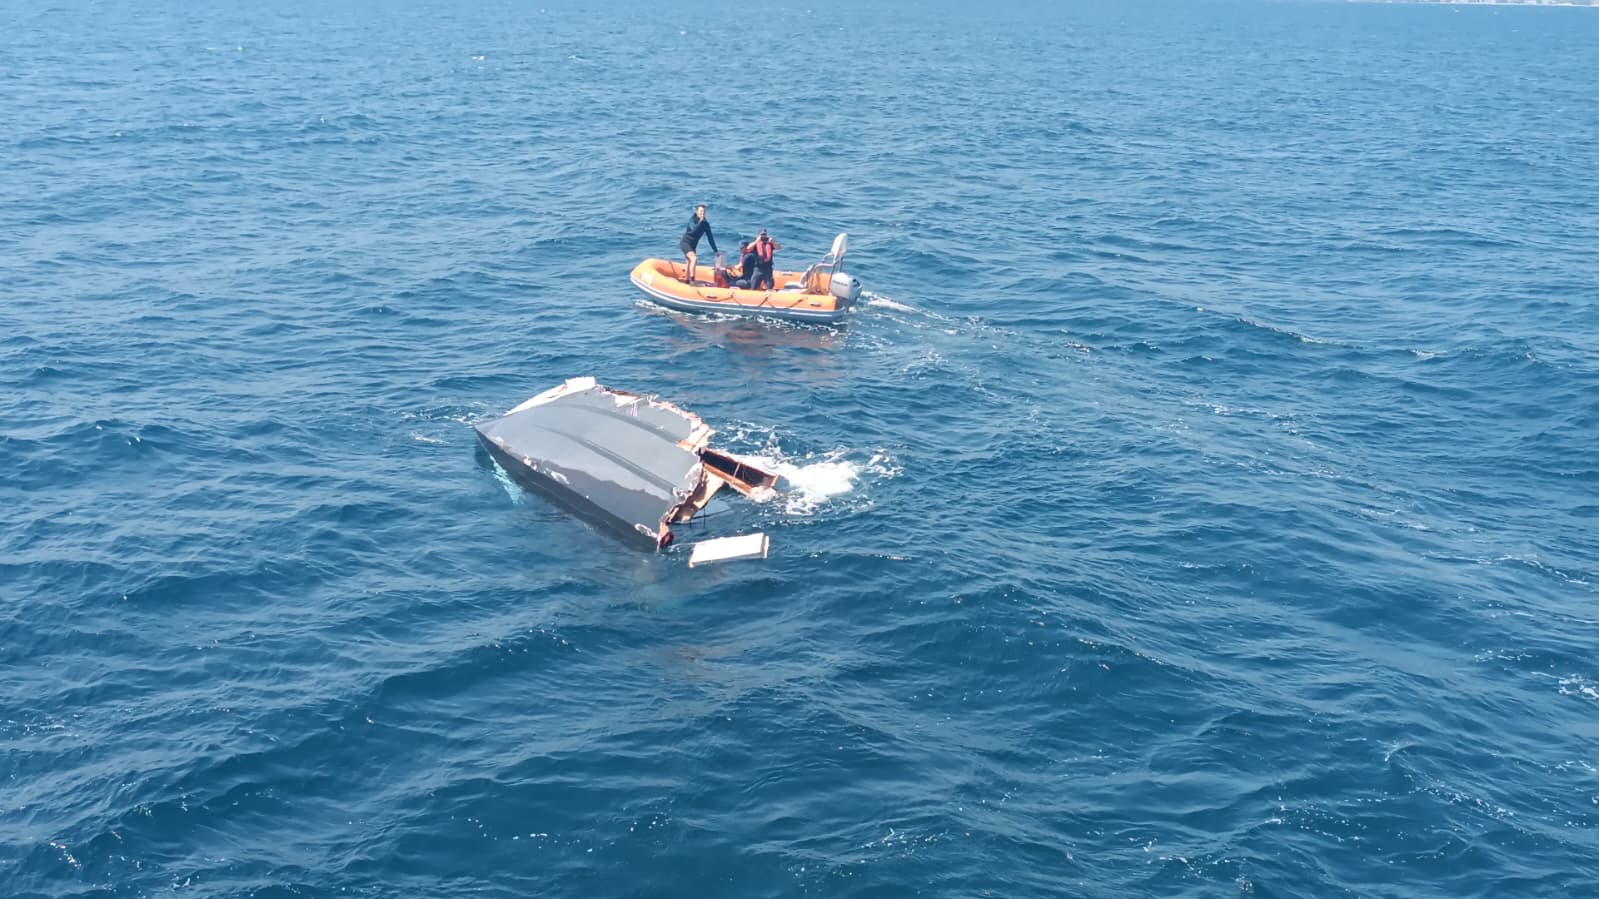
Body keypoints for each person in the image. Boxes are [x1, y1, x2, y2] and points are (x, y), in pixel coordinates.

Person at [679, 204, 718, 285]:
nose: (702, 213)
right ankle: (692, 281)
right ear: (697, 212)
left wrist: (715, 250)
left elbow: (710, 238)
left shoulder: (705, 224)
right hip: (685, 242)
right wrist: (700, 221)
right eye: (700, 211)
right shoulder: (692, 219)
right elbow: (694, 229)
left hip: (693, 245)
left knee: (689, 261)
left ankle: (687, 280)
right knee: (694, 259)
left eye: (704, 211)